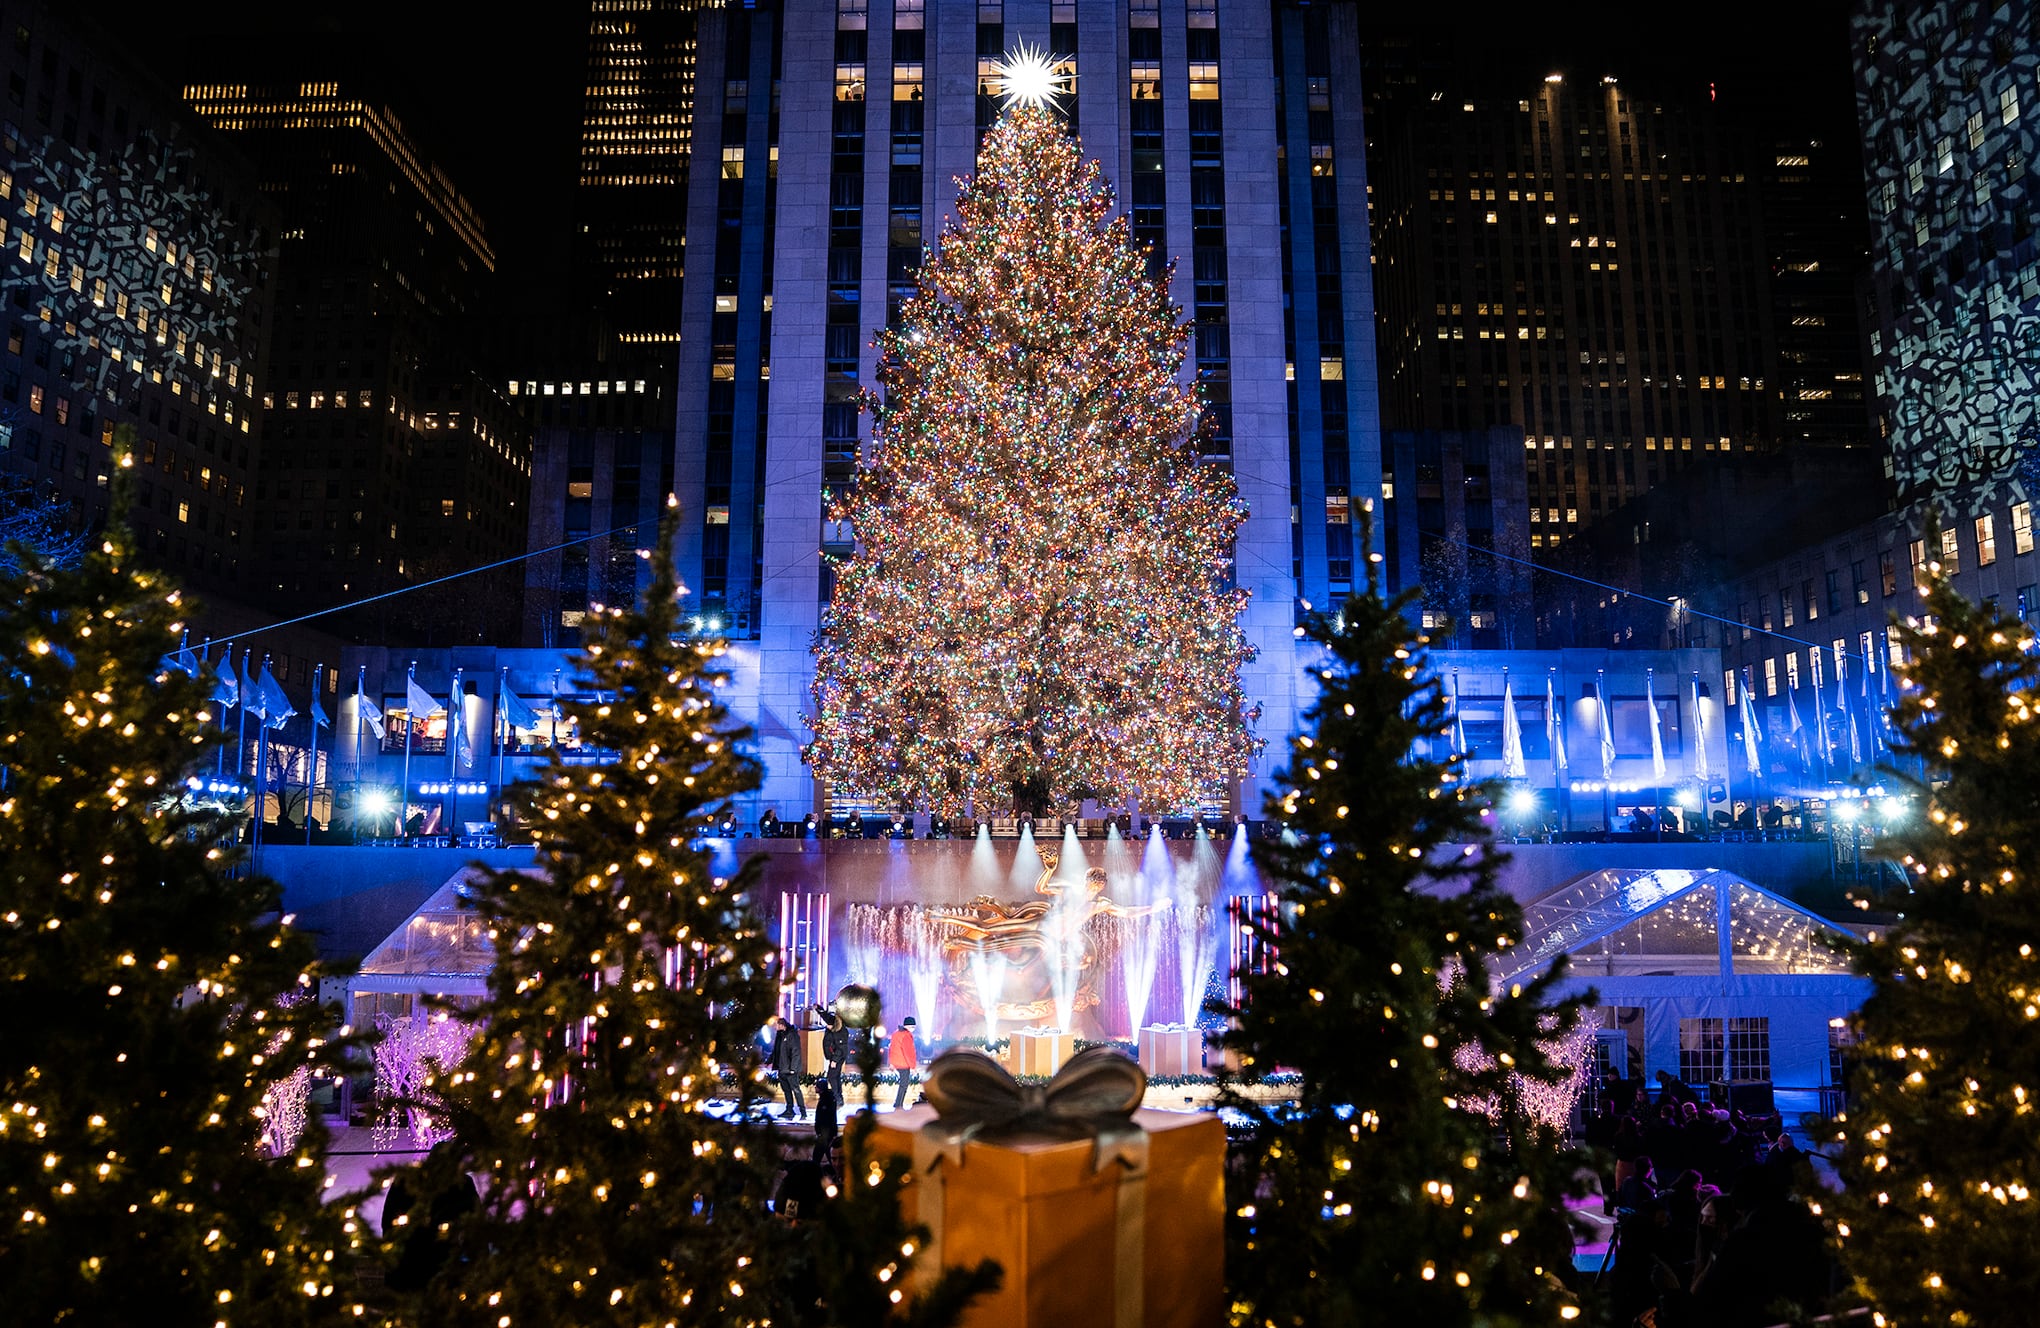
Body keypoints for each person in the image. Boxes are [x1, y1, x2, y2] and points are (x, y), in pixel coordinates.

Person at [770, 1014, 807, 1120]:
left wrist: (793, 1069)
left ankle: (803, 1112)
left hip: (790, 1069)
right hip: (782, 1068)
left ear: (781, 1025)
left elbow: (796, 1052)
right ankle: (789, 1110)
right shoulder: (780, 1035)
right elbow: (777, 1051)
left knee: (796, 1090)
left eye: (776, 1025)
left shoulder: (792, 1035)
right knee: (786, 1090)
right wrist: (770, 1060)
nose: (774, 1027)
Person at [816, 1003, 849, 1102]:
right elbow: (826, 1016)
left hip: (838, 1057)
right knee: (835, 1076)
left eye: (829, 1025)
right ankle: (839, 1097)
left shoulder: (841, 1031)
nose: (827, 1026)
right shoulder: (833, 1021)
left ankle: (836, 1097)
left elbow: (841, 1048)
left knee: (832, 1077)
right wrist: (818, 1009)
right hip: (833, 1055)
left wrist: (834, 1060)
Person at [888, 1016, 920, 1110]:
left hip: (897, 1062)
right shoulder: (906, 1036)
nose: (913, 1029)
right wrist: (913, 1067)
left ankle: (898, 1104)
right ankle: (898, 1105)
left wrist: (891, 1063)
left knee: (902, 1085)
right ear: (909, 1026)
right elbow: (909, 1052)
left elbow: (891, 1049)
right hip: (903, 1063)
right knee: (903, 1086)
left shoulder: (896, 1034)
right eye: (913, 1027)